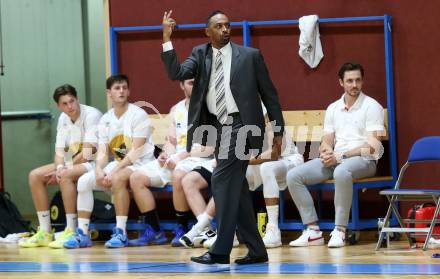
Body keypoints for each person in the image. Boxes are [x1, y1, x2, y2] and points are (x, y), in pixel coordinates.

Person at [161, 10, 284, 264]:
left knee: (220, 180)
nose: (225, 29)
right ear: (208, 31)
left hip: (242, 126)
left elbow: (270, 95)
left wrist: (278, 131)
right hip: (216, 127)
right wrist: (166, 38)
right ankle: (257, 251)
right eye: (219, 26)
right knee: (236, 189)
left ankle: (220, 251)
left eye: (228, 25)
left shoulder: (250, 56)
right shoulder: (200, 54)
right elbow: (176, 73)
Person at [286, 62, 385, 248]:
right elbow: (327, 139)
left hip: (364, 161)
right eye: (349, 81)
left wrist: (341, 156)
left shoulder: (372, 107)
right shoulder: (333, 108)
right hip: (335, 160)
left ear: (362, 81)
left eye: (357, 80)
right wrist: (325, 151)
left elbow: (373, 146)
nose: (354, 85)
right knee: (293, 175)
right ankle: (313, 231)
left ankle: (340, 230)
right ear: (341, 82)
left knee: (341, 172)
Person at [63, 74, 155, 249]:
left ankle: (121, 232)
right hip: (119, 163)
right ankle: (82, 233)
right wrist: (98, 169)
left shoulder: (139, 114)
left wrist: (111, 172)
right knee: (83, 181)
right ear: (109, 93)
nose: (121, 91)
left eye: (124, 88)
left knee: (117, 178)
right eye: (117, 88)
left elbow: (136, 152)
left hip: (141, 164)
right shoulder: (105, 119)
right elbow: (104, 151)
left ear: (129, 91)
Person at [19, 84, 102, 248]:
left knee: (65, 175)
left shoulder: (92, 115)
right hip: (73, 163)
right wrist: (58, 168)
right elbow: (59, 152)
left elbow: (88, 152)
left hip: (96, 162)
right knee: (35, 175)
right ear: (59, 106)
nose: (70, 106)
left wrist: (64, 168)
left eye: (72, 101)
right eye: (65, 104)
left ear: (77, 99)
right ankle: (45, 231)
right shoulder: (63, 119)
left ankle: (71, 229)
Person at [128, 78, 200, 247]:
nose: (195, 85)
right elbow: (171, 141)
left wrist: (180, 157)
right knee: (136, 177)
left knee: (178, 174)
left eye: (197, 81)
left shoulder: (208, 107)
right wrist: (165, 154)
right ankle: (154, 230)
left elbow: (207, 145)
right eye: (190, 82)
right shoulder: (176, 109)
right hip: (176, 159)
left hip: (197, 158)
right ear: (181, 85)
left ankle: (182, 227)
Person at [246, 128, 304, 248]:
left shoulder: (270, 118)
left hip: (289, 160)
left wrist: (242, 161)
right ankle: (229, 232)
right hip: (259, 162)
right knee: (230, 173)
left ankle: (273, 230)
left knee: (267, 168)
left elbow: (273, 154)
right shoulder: (237, 119)